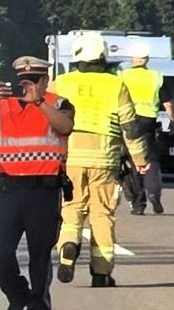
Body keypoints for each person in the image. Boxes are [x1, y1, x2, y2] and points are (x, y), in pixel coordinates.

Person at [0, 56, 73, 310]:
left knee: (40, 255)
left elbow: (65, 127)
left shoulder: (58, 103)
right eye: (23, 82)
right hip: (9, 191)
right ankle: (17, 294)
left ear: (45, 81)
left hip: (43, 191)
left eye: (34, 81)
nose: (27, 86)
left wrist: (39, 103)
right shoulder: (3, 105)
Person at [48, 32, 154, 286]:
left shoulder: (61, 83)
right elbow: (130, 128)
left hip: (71, 155)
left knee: (71, 208)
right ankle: (101, 273)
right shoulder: (116, 85)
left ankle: (68, 245)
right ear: (103, 56)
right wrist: (140, 159)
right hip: (104, 158)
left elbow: (47, 119)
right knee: (102, 214)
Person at [119, 49, 166, 215]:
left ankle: (138, 204)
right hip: (148, 122)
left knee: (132, 161)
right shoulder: (156, 76)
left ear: (132, 58)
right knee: (150, 158)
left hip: (128, 121)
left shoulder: (123, 76)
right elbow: (168, 103)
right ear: (147, 59)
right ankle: (153, 192)